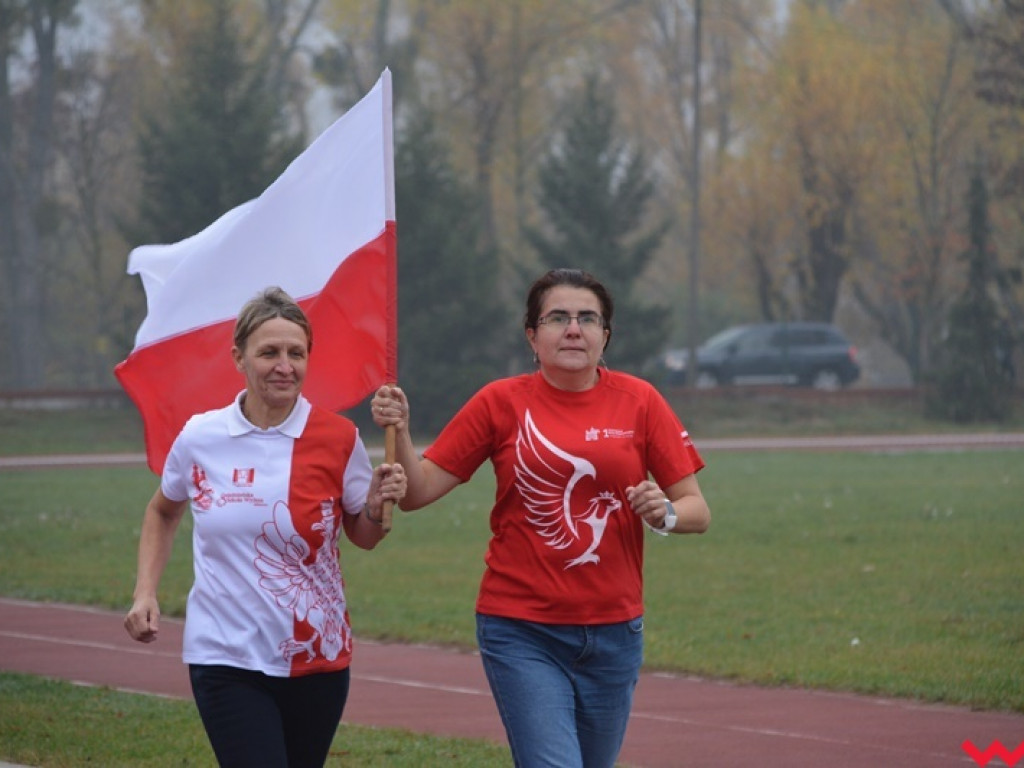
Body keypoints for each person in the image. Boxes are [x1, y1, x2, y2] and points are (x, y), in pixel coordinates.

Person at [371, 267, 710, 768]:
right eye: (557, 317)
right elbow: (418, 492)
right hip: (521, 629)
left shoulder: (640, 402)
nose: (574, 329)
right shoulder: (499, 402)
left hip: (616, 632)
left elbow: (697, 510)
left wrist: (664, 513)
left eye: (588, 319)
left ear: (605, 336)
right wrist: (399, 430)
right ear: (532, 335)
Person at [124, 286, 406, 768]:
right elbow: (163, 510)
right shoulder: (201, 436)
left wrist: (378, 507)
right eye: (269, 352)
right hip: (224, 654)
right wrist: (144, 592)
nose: (284, 365)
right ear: (239, 357)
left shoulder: (339, 438)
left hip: (317, 653)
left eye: (296, 353)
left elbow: (362, 535)